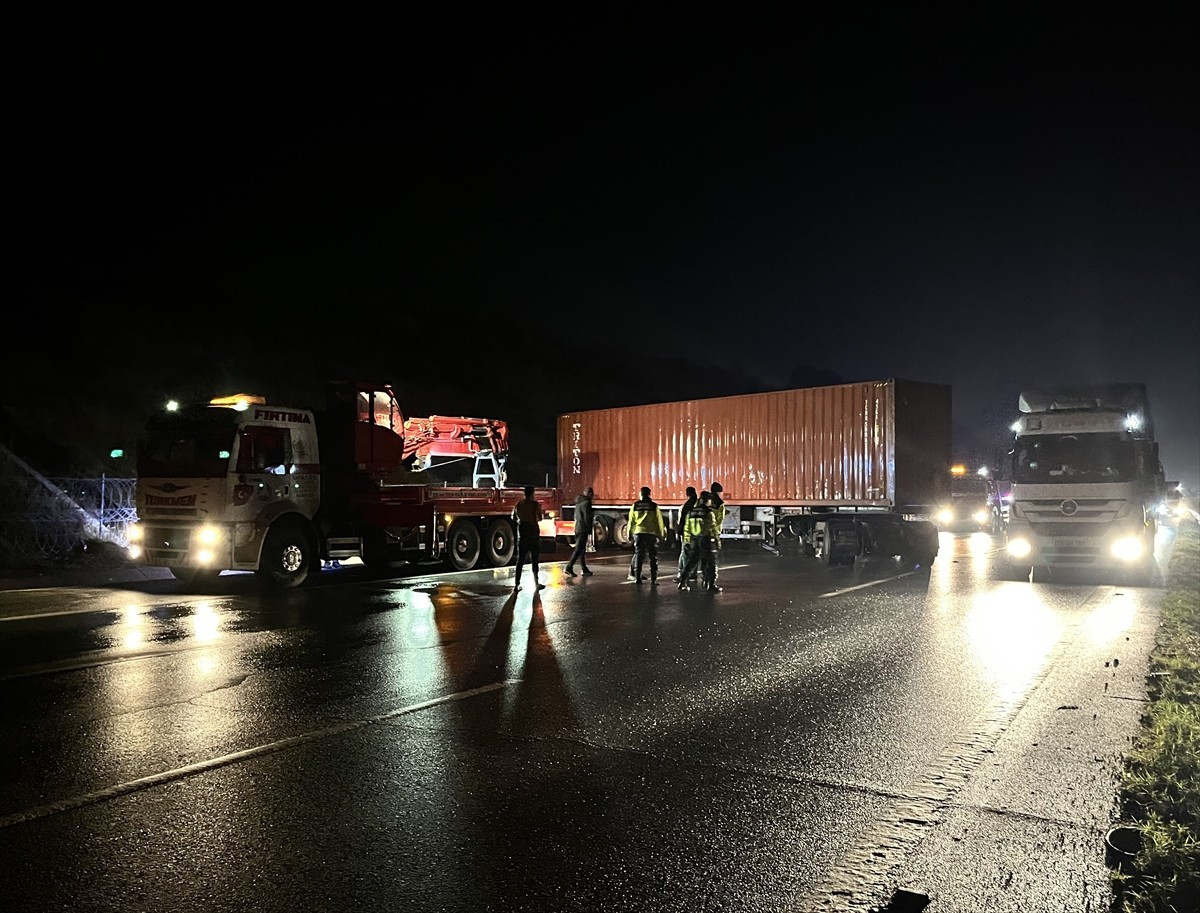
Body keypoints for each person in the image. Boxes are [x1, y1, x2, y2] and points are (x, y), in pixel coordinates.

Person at [678, 490, 721, 591]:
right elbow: (713, 529)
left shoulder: (691, 512)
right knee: (710, 563)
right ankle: (710, 585)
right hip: (705, 540)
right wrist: (717, 542)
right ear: (708, 501)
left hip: (694, 540)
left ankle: (682, 583)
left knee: (690, 563)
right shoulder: (709, 513)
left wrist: (687, 541)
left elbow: (687, 528)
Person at [627, 486, 666, 584]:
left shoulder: (635, 506)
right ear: (649, 494)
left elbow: (631, 521)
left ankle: (637, 578)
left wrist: (629, 533)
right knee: (652, 556)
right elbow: (659, 522)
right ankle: (653, 579)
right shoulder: (654, 506)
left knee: (639, 555)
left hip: (638, 533)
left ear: (641, 494)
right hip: (651, 534)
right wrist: (661, 535)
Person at [511, 485, 545, 591]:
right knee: (534, 560)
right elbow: (539, 518)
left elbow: (513, 516)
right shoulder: (535, 505)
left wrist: (520, 520)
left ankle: (516, 584)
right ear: (532, 494)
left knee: (520, 560)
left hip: (523, 533)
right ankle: (536, 583)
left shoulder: (519, 504)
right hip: (533, 534)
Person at [565, 487, 595, 577]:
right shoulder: (587, 503)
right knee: (579, 549)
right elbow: (587, 517)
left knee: (581, 549)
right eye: (592, 494)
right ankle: (569, 567)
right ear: (589, 494)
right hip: (583, 528)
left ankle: (584, 568)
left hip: (578, 527)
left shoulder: (578, 503)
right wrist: (589, 529)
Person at [676, 486, 699, 580]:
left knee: (685, 553)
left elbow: (681, 521)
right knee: (695, 553)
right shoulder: (699, 505)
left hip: (687, 533)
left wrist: (679, 532)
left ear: (687, 494)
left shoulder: (685, 507)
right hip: (697, 532)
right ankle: (693, 573)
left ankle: (684, 573)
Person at [709, 481, 726, 582]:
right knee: (713, 556)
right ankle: (711, 580)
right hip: (714, 532)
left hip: (703, 532)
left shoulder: (704, 501)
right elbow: (720, 520)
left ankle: (693, 574)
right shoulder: (720, 504)